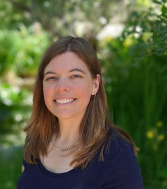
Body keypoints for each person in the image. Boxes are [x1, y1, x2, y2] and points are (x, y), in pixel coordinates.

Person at [17, 36, 143, 189]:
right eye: (51, 78)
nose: (61, 87)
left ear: (95, 85)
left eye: (75, 76)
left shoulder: (116, 154)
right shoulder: (35, 140)